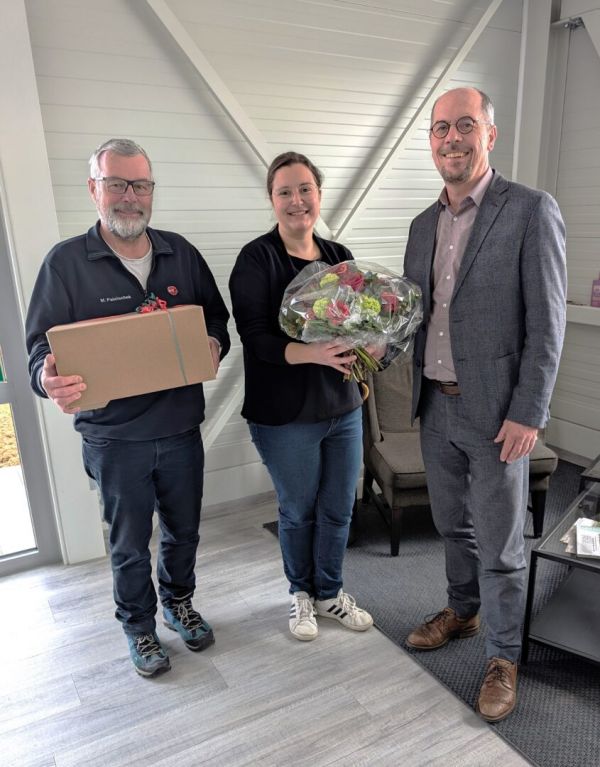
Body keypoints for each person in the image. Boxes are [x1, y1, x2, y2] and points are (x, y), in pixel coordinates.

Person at [26, 138, 230, 678]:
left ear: (151, 191)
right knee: (129, 544)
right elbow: (39, 349)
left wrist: (213, 342)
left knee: (184, 531)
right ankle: (139, 627)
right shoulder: (66, 263)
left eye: (140, 185)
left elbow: (216, 317)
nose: (129, 196)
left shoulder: (180, 252)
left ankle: (179, 603)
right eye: (116, 184)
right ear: (94, 189)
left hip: (181, 427)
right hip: (114, 439)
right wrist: (47, 378)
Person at [403, 88, 567, 721]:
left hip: (499, 414)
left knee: (501, 543)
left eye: (465, 126)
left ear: (489, 135)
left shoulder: (529, 210)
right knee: (453, 525)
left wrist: (530, 412)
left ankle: (504, 655)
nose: (452, 138)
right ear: (431, 141)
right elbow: (413, 318)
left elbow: (548, 323)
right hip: (435, 406)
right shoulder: (422, 225)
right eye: (441, 128)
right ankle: (464, 611)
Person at [229, 151, 374, 641]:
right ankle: (301, 594)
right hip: (285, 415)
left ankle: (330, 592)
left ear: (319, 194)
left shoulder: (338, 255)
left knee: (339, 508)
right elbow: (255, 338)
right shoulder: (256, 259)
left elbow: (358, 320)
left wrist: (373, 340)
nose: (297, 200)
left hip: (343, 408)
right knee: (298, 510)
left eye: (305, 189)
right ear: (272, 200)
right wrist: (311, 353)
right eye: (285, 191)